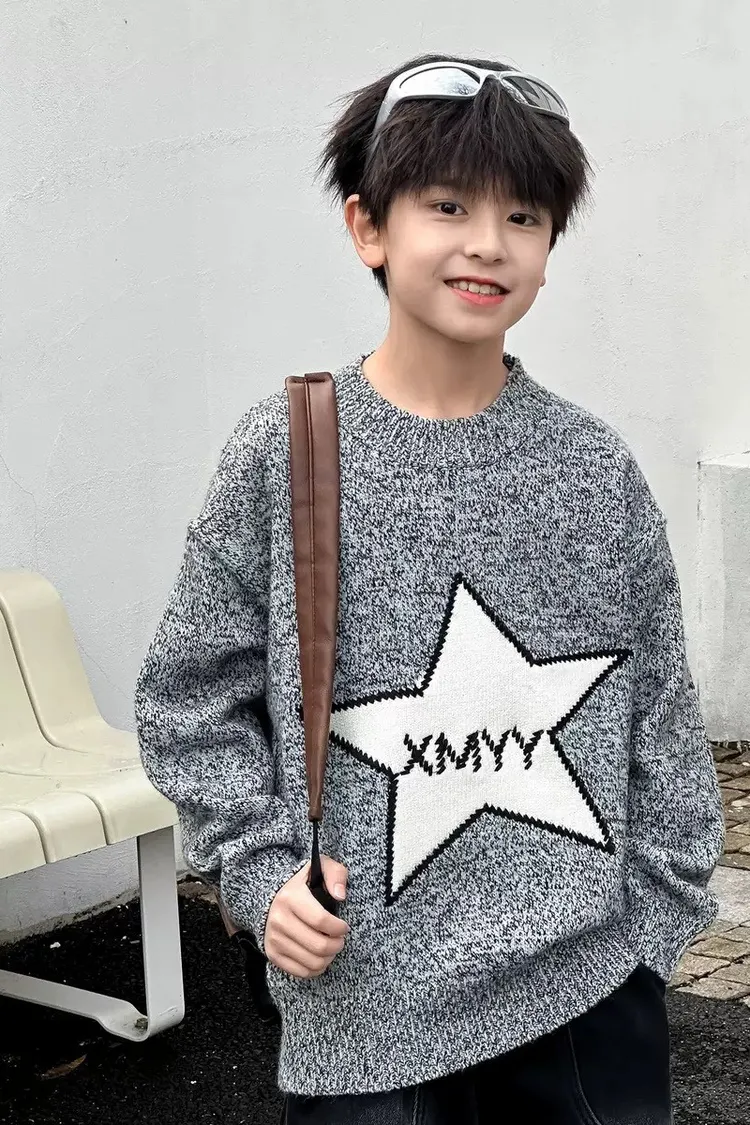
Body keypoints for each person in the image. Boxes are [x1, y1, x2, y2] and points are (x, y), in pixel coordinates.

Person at [134, 53, 725, 1125]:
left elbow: (662, 717)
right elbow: (189, 697)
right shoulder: (287, 454)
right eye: (448, 206)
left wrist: (651, 929)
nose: (488, 242)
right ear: (368, 227)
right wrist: (262, 878)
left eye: (524, 216)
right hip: (364, 1017)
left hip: (589, 1004)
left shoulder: (594, 469)